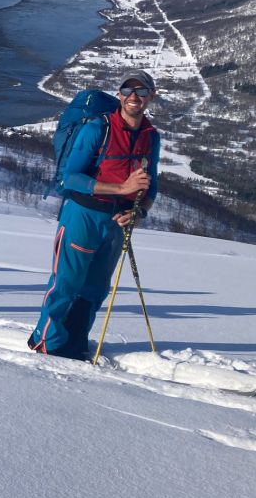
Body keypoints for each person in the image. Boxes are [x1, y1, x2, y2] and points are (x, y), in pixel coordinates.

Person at [28, 70, 161, 360]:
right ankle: (47, 343)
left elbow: (152, 186)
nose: (133, 97)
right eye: (127, 90)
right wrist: (122, 187)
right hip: (82, 215)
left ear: (152, 96)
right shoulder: (97, 129)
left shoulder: (151, 137)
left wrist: (140, 213)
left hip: (117, 222)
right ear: (119, 95)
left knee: (96, 286)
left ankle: (74, 343)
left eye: (141, 91)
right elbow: (70, 178)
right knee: (66, 281)